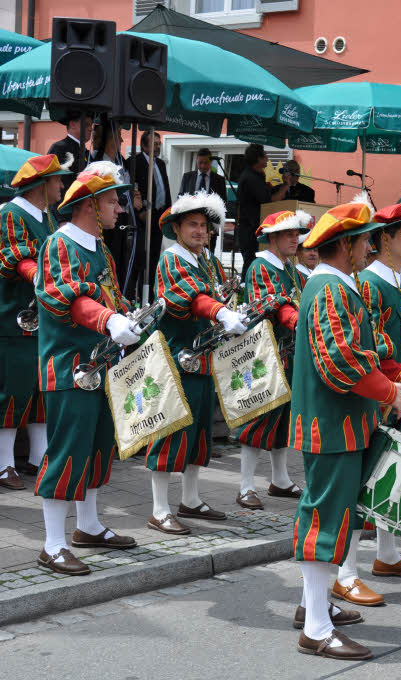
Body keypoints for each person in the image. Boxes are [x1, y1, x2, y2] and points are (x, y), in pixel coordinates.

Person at [289, 201, 401, 660]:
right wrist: (389, 393)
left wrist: (397, 379)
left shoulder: (337, 287)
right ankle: (317, 630)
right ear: (344, 245)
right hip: (331, 425)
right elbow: (338, 361)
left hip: (340, 424)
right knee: (326, 520)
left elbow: (361, 351)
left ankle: (313, 608)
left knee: (334, 518)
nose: (368, 246)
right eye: (363, 239)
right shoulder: (329, 288)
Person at [333, 198, 401, 604]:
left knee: (389, 477)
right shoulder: (370, 283)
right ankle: (345, 571)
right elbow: (372, 349)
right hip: (380, 396)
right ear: (385, 239)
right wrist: (399, 376)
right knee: (362, 480)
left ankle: (387, 554)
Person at [34, 161, 140, 575]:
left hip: (100, 366)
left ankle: (88, 526)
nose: (120, 209)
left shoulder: (101, 249)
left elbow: (112, 299)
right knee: (66, 452)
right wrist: (109, 320)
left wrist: (131, 319)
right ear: (90, 205)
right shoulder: (60, 244)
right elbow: (67, 299)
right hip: (69, 368)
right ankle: (52, 544)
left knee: (96, 449)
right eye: (113, 201)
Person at [145, 193, 249, 534]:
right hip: (177, 358)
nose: (200, 231)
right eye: (192, 225)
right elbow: (190, 298)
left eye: (204, 226)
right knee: (170, 433)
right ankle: (159, 509)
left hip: (203, 359)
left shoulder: (209, 261)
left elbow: (218, 297)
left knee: (199, 435)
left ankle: (190, 499)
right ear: (176, 228)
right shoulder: (172, 260)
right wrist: (220, 311)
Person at [0, 154, 71, 490]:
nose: (62, 185)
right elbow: (17, 260)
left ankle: (38, 457)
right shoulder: (10, 214)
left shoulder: (48, 217)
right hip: (11, 318)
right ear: (41, 184)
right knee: (11, 390)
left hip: (41, 319)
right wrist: (50, 280)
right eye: (58, 180)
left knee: (41, 390)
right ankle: (3, 464)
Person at [235, 210, 311, 509]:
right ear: (273, 237)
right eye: (289, 233)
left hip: (289, 354)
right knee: (258, 420)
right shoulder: (260, 265)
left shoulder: (291, 268)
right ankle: (244, 486)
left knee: (282, 422)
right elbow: (270, 303)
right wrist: (298, 320)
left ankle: (279, 479)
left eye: (297, 233)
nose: (296, 238)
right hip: (265, 356)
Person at [89, 118, 142, 287]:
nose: (121, 140)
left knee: (121, 262)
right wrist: (128, 199)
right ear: (109, 139)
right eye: (118, 135)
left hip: (123, 219)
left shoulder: (122, 161)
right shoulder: (96, 162)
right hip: (105, 221)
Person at [127, 130, 172, 302]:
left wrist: (168, 212)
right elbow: (131, 190)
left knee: (153, 259)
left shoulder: (160, 163)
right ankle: (132, 298)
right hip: (142, 219)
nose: (158, 146)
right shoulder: (134, 162)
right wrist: (139, 213)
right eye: (154, 144)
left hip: (159, 217)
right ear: (144, 145)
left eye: (159, 143)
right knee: (139, 260)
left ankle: (149, 300)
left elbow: (164, 188)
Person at [235, 144, 288, 277]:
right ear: (258, 159)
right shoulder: (251, 178)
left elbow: (267, 194)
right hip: (251, 230)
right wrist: (286, 185)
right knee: (251, 264)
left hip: (251, 228)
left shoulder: (254, 176)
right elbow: (269, 201)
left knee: (251, 263)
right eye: (265, 155)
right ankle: (244, 293)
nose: (267, 158)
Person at [47, 111, 93, 194]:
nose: (91, 128)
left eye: (91, 125)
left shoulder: (86, 152)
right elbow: (53, 181)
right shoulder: (60, 148)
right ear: (72, 124)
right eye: (86, 124)